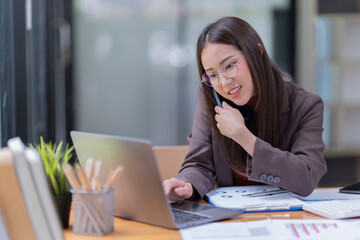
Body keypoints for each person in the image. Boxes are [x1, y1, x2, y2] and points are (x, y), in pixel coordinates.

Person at [163, 16, 327, 201]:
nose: (224, 82)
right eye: (213, 75)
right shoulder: (209, 97)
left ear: (257, 52)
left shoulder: (306, 105)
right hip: (230, 217)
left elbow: (306, 178)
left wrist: (243, 136)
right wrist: (187, 185)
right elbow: (199, 164)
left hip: (284, 217)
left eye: (230, 66)